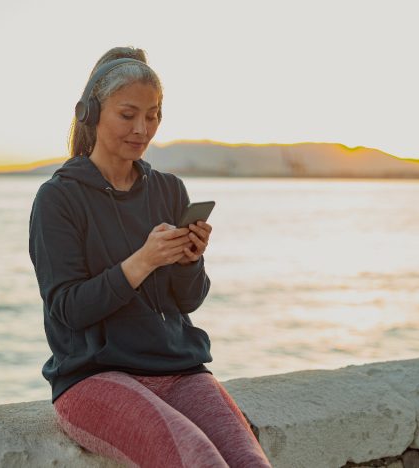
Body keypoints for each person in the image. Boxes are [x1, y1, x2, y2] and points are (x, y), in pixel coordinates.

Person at [28, 46, 272, 468]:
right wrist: (141, 262)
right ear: (91, 113)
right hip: (93, 377)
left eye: (153, 115)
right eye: (128, 115)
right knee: (199, 460)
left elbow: (186, 302)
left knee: (250, 461)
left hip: (178, 368)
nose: (142, 128)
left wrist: (188, 261)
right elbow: (68, 309)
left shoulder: (169, 190)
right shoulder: (58, 198)